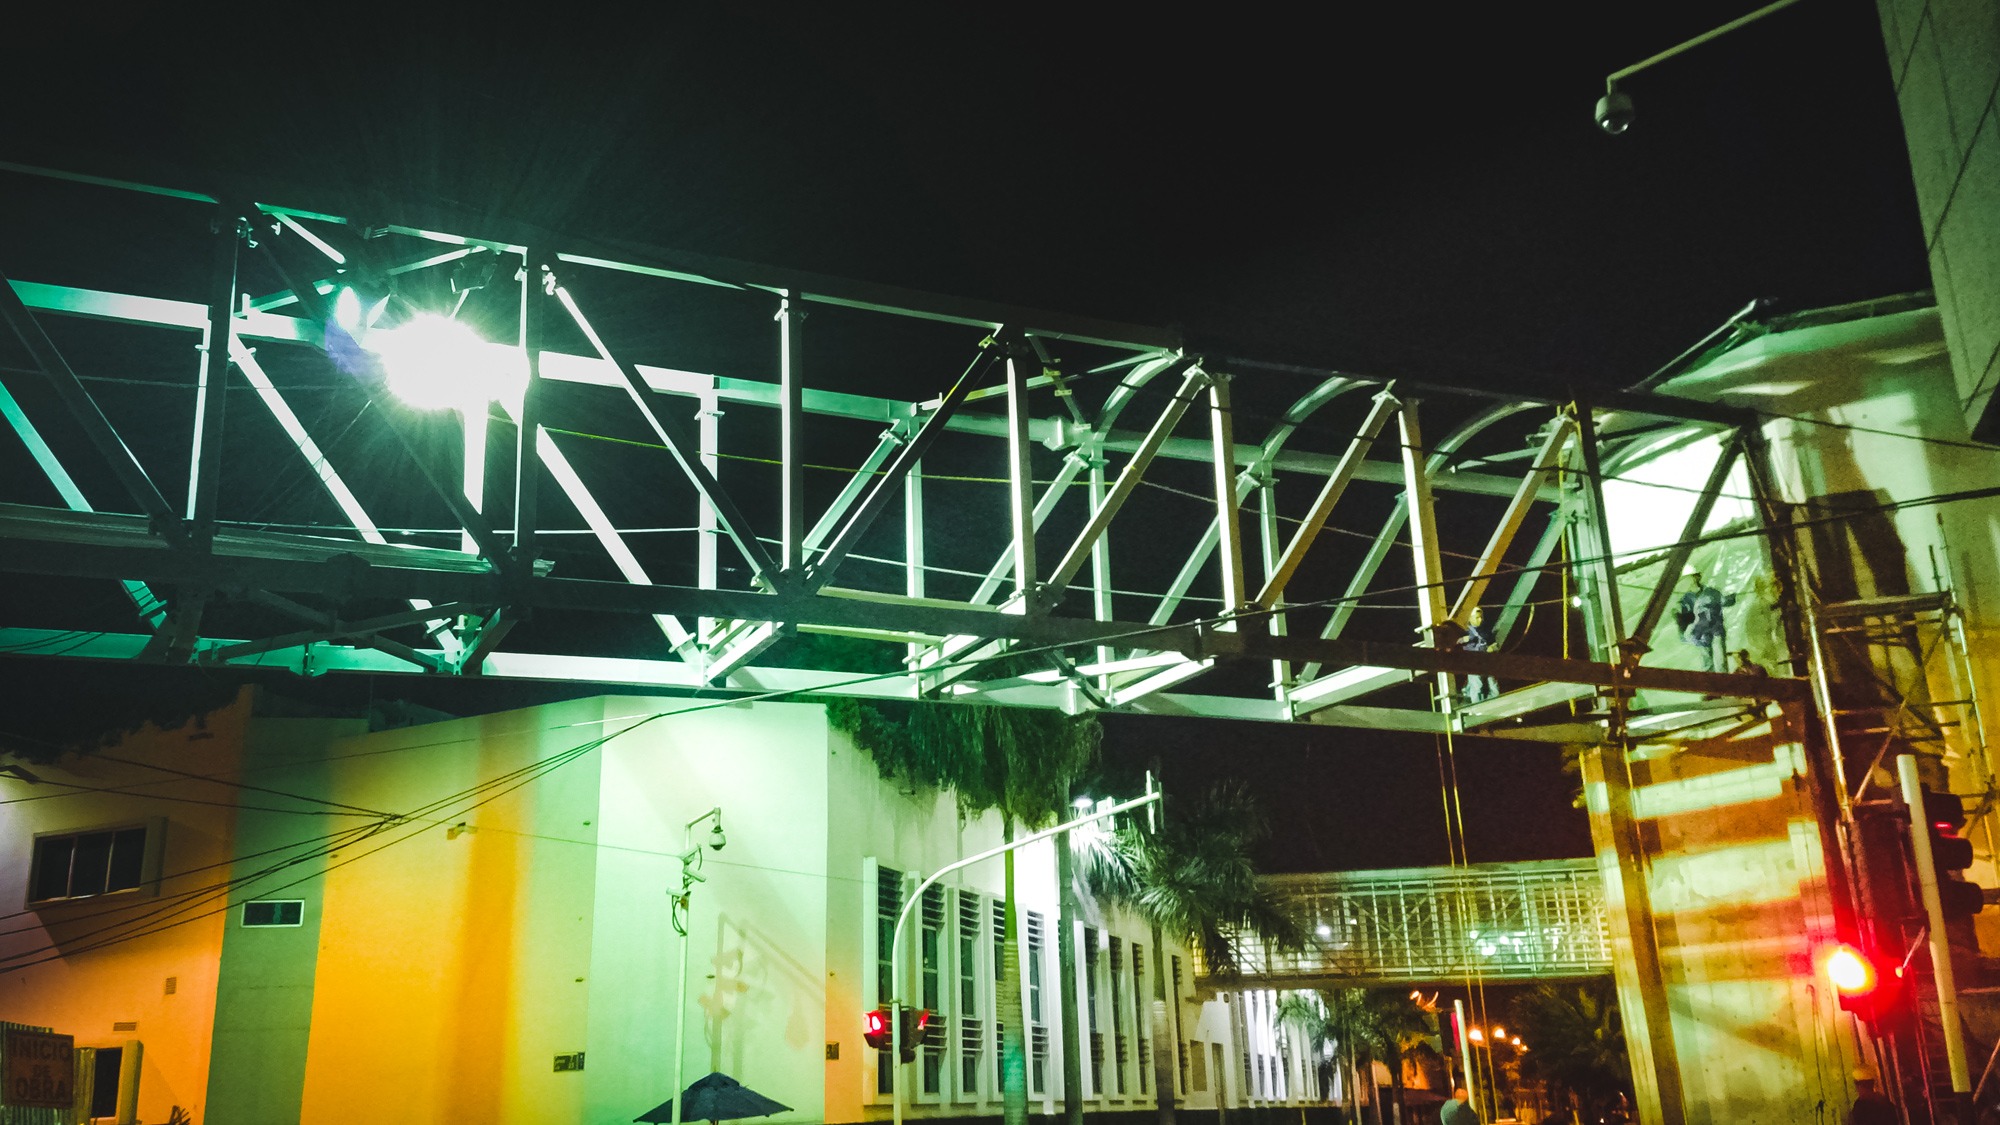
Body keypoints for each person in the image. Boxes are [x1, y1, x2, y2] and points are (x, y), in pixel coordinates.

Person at [1678, 571, 1737, 672]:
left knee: (1719, 659)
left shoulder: (1711, 592)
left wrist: (1732, 597)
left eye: (1695, 576)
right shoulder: (1687, 598)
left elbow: (1725, 601)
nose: (1693, 580)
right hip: (1701, 631)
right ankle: (1710, 680)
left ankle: (1722, 679)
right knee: (1707, 660)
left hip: (1715, 629)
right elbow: (1684, 617)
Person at [1461, 607, 1498, 703]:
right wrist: (1462, 639)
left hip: (1485, 660)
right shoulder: (1464, 631)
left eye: (1481, 617)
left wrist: (1492, 648)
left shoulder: (1485, 631)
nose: (1480, 620)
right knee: (1477, 685)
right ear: (1470, 618)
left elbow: (1494, 644)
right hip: (1472, 661)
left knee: (1492, 683)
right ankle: (1476, 705)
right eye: (1477, 617)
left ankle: (1495, 702)